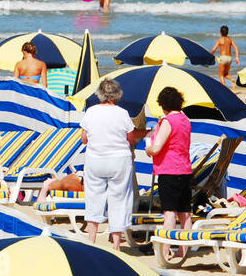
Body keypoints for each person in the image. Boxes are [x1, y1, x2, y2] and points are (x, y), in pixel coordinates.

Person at [81, 79, 146, 250]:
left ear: (100, 94)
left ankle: (92, 240)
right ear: (117, 94)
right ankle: (117, 244)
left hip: (95, 159)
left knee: (93, 198)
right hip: (119, 160)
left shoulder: (91, 111)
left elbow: (84, 139)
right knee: (119, 199)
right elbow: (130, 139)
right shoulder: (122, 113)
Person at [145, 86, 194, 260]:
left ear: (163, 104)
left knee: (170, 212)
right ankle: (184, 248)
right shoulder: (185, 120)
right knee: (185, 212)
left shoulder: (168, 121)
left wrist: (148, 149)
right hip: (185, 168)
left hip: (169, 170)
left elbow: (157, 148)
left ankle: (166, 249)